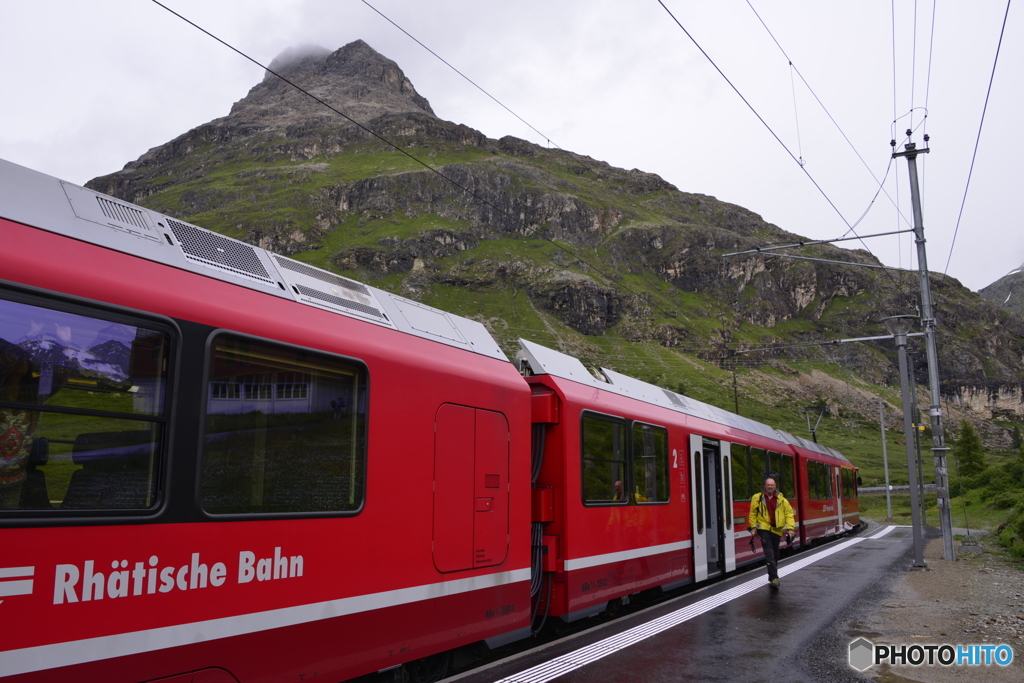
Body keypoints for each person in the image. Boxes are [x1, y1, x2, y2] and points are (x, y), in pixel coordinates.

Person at [747, 477, 795, 590]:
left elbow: (789, 514)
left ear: (775, 486)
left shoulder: (782, 500)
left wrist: (790, 529)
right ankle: (774, 578)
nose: (770, 487)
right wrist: (753, 527)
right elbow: (753, 513)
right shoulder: (757, 498)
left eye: (772, 485)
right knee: (769, 554)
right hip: (764, 529)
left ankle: (772, 575)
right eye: (768, 485)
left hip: (777, 530)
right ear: (765, 486)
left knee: (776, 555)